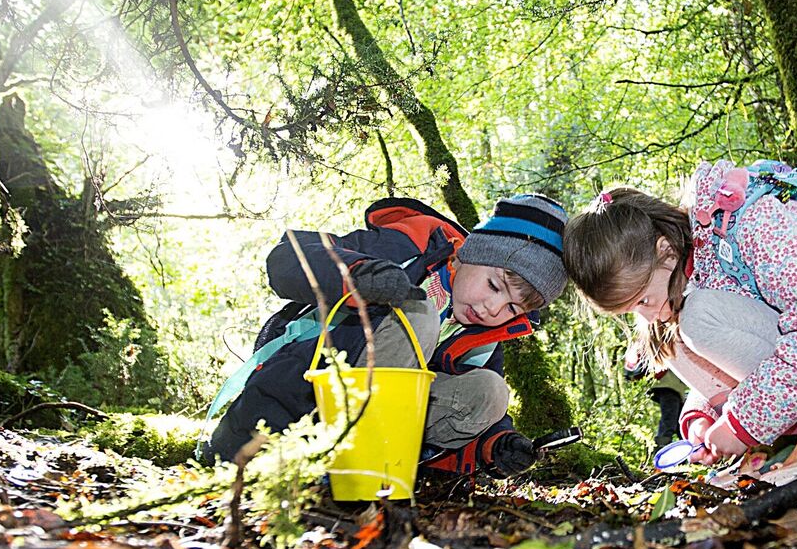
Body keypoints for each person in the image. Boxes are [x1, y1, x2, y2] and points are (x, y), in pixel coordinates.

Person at [563, 164, 797, 480]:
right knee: (663, 334)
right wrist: (703, 418)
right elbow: (745, 343)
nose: (644, 311)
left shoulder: (750, 224)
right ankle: (795, 433)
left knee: (695, 319)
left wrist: (741, 425)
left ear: (665, 249)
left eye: (642, 298)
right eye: (630, 310)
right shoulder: (696, 266)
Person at [203, 194, 568, 479]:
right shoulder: (409, 249)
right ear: (471, 253)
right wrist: (357, 275)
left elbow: (469, 406)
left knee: (491, 391)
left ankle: (370, 467)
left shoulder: (483, 335)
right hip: (307, 384)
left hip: (381, 435)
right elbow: (287, 259)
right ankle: (349, 459)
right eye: (493, 286)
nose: (493, 309)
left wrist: (497, 445)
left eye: (512, 309)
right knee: (419, 313)